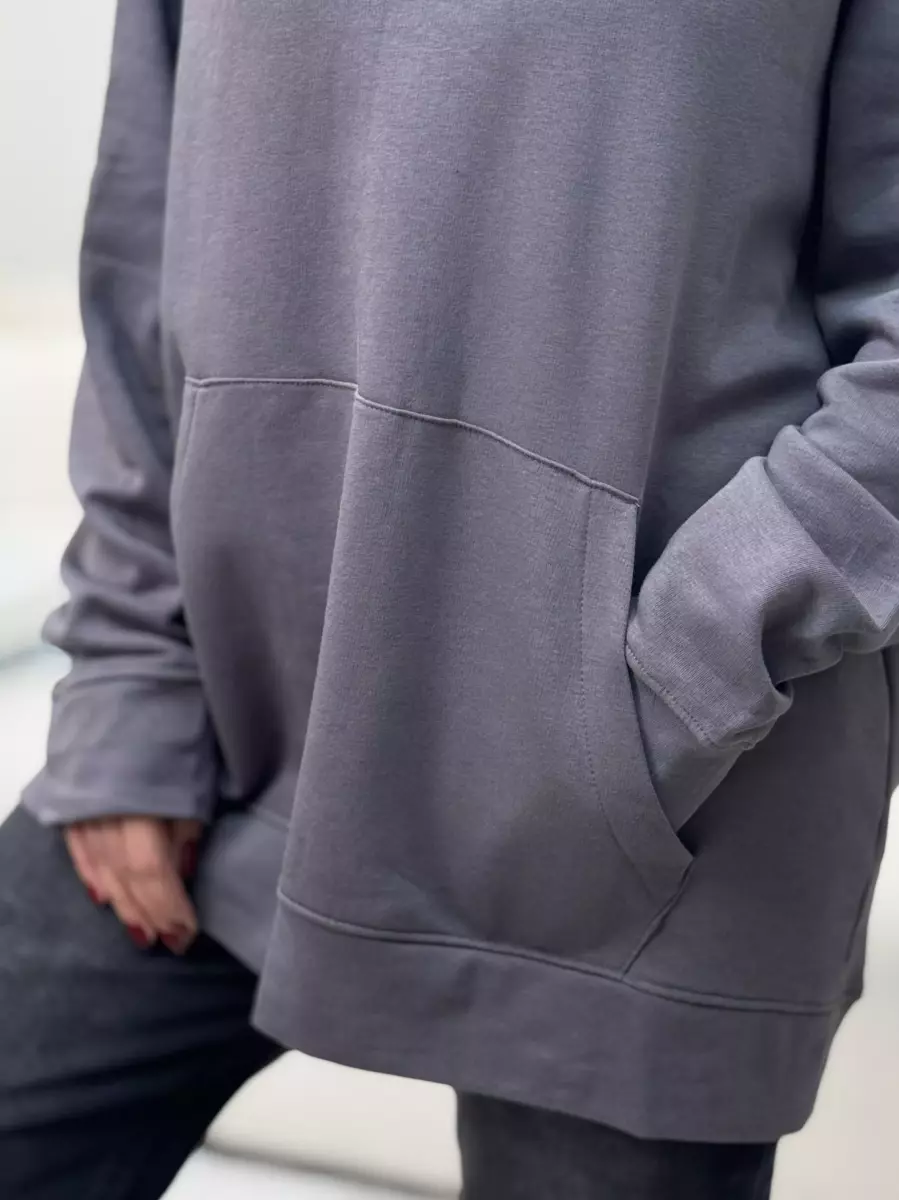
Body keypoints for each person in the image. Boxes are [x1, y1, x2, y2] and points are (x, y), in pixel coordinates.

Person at [2, 0, 898, 1195]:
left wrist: (679, 674)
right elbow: (139, 259)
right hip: (226, 729)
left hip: (664, 818)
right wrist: (129, 679)